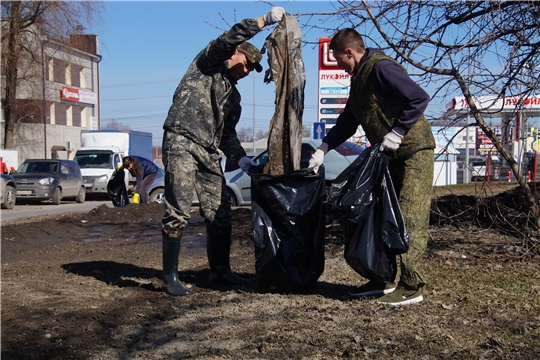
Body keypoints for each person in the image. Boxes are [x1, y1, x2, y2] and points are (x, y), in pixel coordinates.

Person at [160, 7, 286, 296]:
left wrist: (241, 159)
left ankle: (220, 272)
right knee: (178, 208)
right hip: (182, 140)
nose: (247, 71)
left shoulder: (234, 96)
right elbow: (228, 38)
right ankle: (171, 277)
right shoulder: (208, 64)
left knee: (220, 212)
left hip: (207, 150)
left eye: (253, 69)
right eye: (246, 64)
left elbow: (227, 134)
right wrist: (263, 22)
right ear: (234, 54)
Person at [309, 28, 435, 306]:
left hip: (414, 151)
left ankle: (412, 285)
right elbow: (346, 123)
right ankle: (383, 278)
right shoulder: (359, 82)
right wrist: (323, 148)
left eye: (340, 59)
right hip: (388, 156)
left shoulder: (381, 69)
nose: (339, 65)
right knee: (381, 215)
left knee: (409, 216)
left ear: (350, 53)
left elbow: (419, 97)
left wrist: (399, 131)